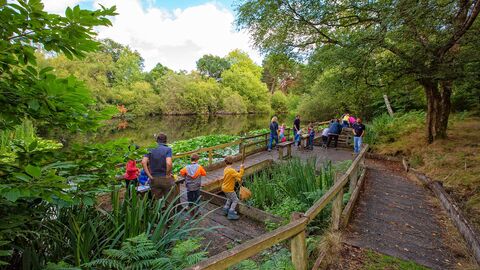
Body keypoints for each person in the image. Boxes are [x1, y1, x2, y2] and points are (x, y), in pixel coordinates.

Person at [141, 133, 177, 203]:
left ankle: (158, 213)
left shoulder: (150, 149)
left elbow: (143, 162)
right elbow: (169, 163)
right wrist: (167, 174)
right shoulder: (168, 149)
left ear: (157, 141)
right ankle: (169, 213)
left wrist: (149, 176)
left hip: (154, 179)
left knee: (156, 202)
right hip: (165, 178)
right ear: (165, 141)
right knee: (169, 201)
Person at [221, 156, 244, 220]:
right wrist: (242, 168)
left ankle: (225, 210)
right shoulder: (232, 170)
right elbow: (240, 175)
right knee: (235, 200)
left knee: (229, 198)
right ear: (232, 162)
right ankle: (231, 213)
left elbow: (233, 177)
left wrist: (238, 179)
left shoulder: (226, 169)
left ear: (225, 162)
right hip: (229, 189)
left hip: (224, 187)